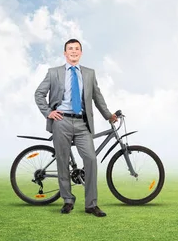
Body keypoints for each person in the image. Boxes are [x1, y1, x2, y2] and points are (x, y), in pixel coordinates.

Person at [34, 38, 117, 217]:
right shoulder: (53, 72)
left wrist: (108, 115)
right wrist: (48, 112)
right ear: (65, 53)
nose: (73, 51)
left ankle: (91, 205)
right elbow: (39, 94)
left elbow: (98, 97)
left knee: (91, 160)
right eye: (70, 49)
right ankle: (68, 200)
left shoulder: (89, 73)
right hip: (61, 121)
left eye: (77, 49)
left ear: (81, 53)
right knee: (62, 162)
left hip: (82, 123)